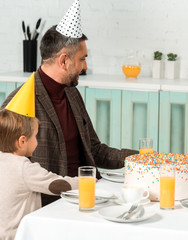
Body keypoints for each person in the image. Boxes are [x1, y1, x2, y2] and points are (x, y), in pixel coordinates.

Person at [1, 0, 137, 206]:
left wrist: (139, 158)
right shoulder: (19, 102)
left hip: (87, 194)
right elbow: (9, 169)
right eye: (82, 59)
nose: (85, 66)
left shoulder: (72, 94)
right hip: (50, 203)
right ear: (64, 60)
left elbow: (94, 149)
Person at [0, 76, 78, 239]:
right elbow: (56, 184)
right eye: (35, 136)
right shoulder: (23, 167)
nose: (37, 141)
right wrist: (84, 182)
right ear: (22, 141)